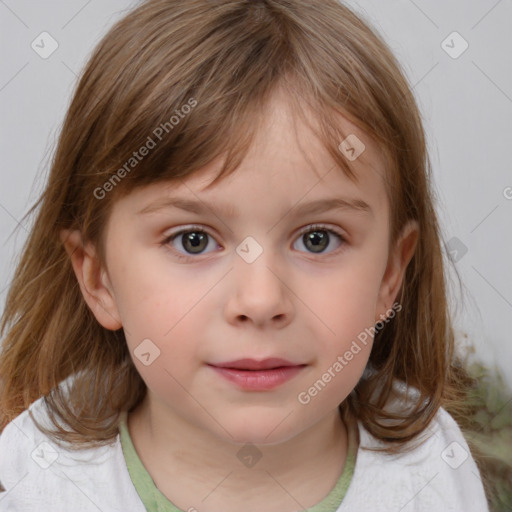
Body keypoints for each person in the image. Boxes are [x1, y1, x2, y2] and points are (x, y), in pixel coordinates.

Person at [0, 0, 490, 510]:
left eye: (317, 239)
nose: (260, 300)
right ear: (98, 277)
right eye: (193, 240)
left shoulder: (429, 472)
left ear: (391, 273)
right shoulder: (40, 483)